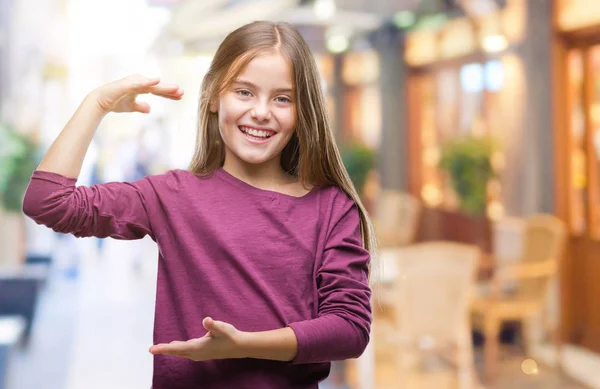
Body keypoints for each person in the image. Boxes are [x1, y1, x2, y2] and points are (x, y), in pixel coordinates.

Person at [22, 21, 377, 389]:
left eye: (282, 98)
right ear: (213, 97)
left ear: (303, 112)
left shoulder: (331, 208)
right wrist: (96, 104)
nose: (261, 111)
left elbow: (350, 329)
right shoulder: (173, 195)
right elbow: (48, 202)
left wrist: (243, 345)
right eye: (244, 92)